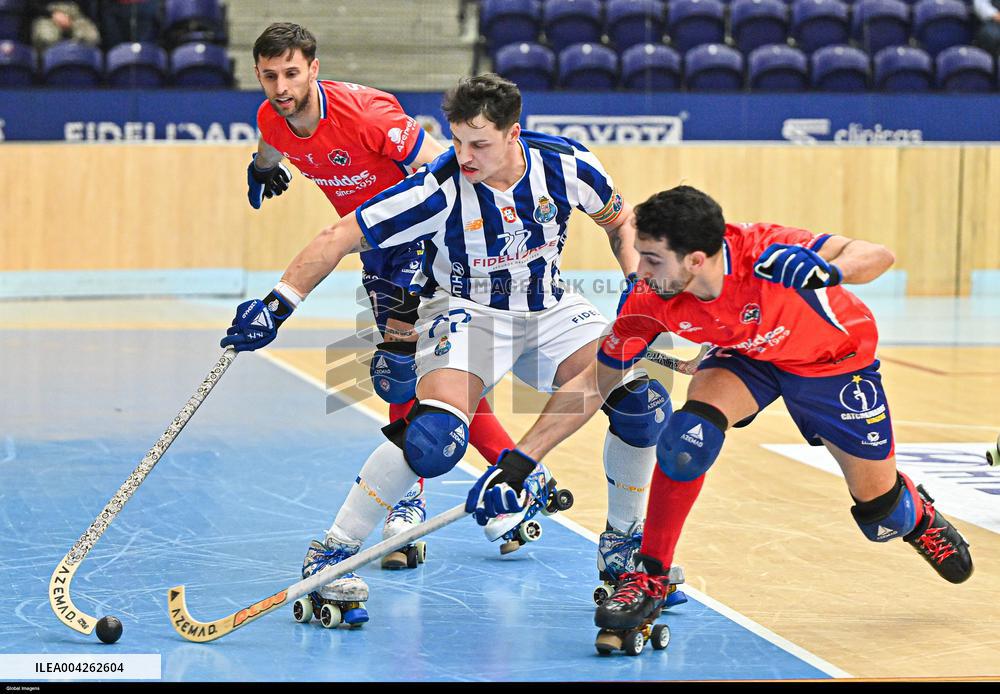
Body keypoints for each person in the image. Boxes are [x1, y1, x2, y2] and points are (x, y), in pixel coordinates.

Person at [222, 73, 674, 625]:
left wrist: (636, 281)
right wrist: (278, 302)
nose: (463, 156)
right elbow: (340, 236)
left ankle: (623, 548)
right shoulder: (437, 187)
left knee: (641, 407)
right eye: (457, 141)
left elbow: (620, 218)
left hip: (550, 308)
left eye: (478, 144)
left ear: (514, 134)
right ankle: (332, 555)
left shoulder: (568, 165)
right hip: (466, 311)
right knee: (434, 440)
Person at [467, 184, 974, 637]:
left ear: (695, 259)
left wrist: (830, 269)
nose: (638, 271)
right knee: (685, 438)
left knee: (880, 513)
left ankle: (916, 513)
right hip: (746, 360)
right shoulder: (648, 299)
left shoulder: (765, 251)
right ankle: (650, 576)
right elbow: (593, 383)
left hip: (834, 364)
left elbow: (876, 254)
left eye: (650, 259)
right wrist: (520, 460)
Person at [243, 24, 516, 597]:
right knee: (428, 377)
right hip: (373, 249)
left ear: (314, 68)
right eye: (269, 75)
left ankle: (433, 495)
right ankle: (508, 479)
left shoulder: (366, 114)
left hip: (430, 242)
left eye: (292, 73)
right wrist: (263, 167)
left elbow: (445, 167)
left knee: (406, 368)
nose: (281, 86)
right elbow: (272, 140)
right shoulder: (272, 116)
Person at [30, 1, 99, 52]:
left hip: (76, 13)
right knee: (46, 38)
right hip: (47, 14)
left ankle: (81, 68)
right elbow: (31, 4)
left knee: (90, 37)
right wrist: (51, 14)